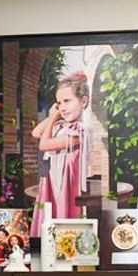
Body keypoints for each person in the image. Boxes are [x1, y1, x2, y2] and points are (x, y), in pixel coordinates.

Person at [31, 70, 90, 220]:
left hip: (67, 186)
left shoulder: (79, 131)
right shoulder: (61, 126)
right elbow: (36, 133)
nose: (62, 108)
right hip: (54, 180)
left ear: (83, 102)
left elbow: (44, 145)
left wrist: (52, 118)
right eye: (59, 103)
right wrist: (53, 117)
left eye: (67, 101)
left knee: (65, 219)